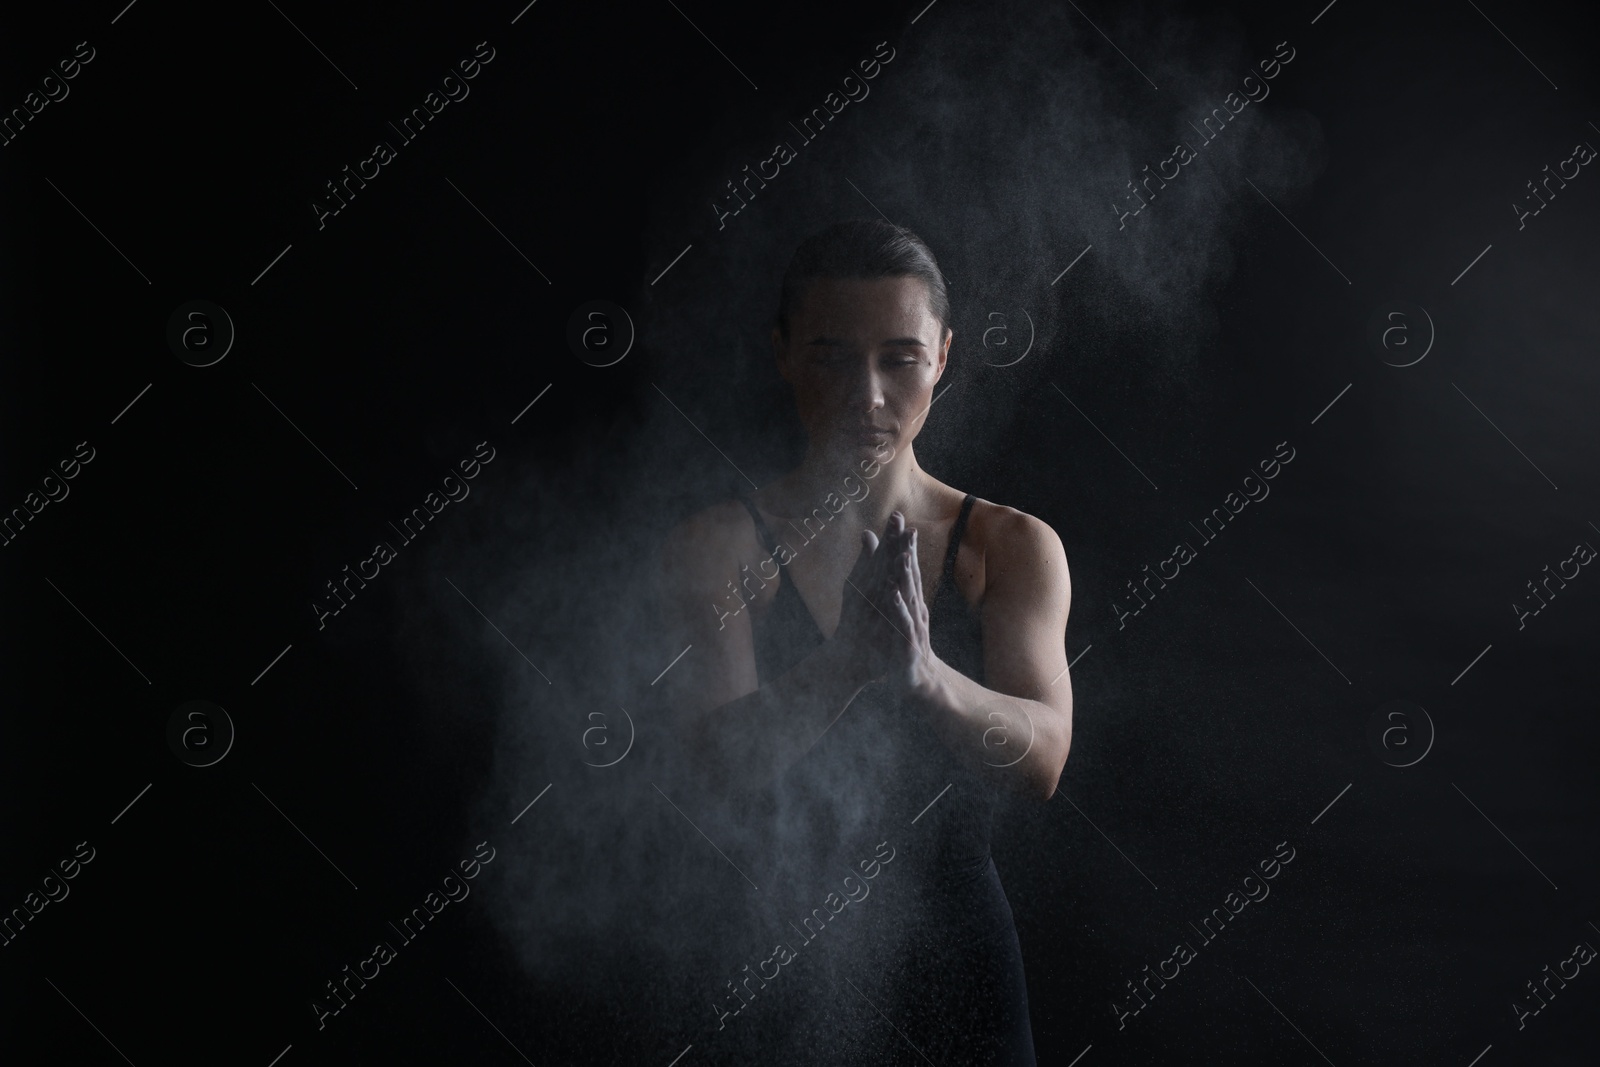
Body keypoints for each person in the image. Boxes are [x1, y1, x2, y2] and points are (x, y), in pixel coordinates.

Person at [657, 219, 1074, 1065]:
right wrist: (842, 666)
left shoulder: (1011, 545)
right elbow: (711, 769)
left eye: (899, 358)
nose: (868, 396)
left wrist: (924, 674)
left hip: (964, 968)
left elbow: (1044, 760)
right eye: (832, 356)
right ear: (782, 354)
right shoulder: (720, 547)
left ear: (945, 356)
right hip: (773, 963)